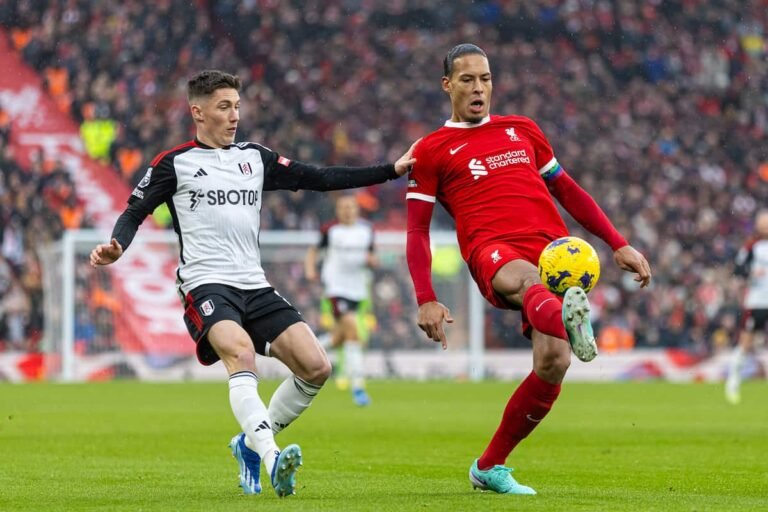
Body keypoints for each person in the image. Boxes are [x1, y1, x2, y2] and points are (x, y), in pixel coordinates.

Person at [90, 70, 417, 497]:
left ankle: (247, 442)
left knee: (317, 367)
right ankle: (270, 456)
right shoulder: (174, 163)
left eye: (237, 107)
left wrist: (390, 170)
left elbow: (318, 178)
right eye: (224, 107)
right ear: (198, 111)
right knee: (242, 354)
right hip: (206, 284)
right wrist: (118, 244)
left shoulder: (255, 158)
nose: (234, 116)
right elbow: (134, 212)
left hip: (254, 285)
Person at [405, 44, 651, 495]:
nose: (479, 88)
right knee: (531, 282)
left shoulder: (523, 130)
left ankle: (488, 466)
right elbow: (417, 231)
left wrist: (618, 243)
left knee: (553, 362)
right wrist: (426, 297)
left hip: (553, 250)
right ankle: (572, 321)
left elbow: (567, 189)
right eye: (467, 80)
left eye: (485, 78)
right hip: (493, 250)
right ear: (447, 85)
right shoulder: (431, 150)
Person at [304, 194, 376, 406]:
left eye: (350, 207)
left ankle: (303, 353)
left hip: (358, 290)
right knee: (353, 332)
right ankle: (358, 387)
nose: (347, 211)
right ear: (338, 211)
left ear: (356, 209)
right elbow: (313, 251)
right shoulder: (330, 230)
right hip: (336, 288)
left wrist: (373, 261)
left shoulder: (366, 231)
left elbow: (372, 256)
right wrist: (310, 270)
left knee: (339, 338)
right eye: (343, 207)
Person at [725, 209, 768, 404]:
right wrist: (751, 273)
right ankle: (733, 381)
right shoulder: (752, 246)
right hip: (757, 301)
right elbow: (739, 269)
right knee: (746, 342)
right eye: (763, 223)